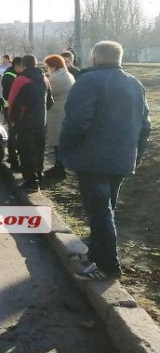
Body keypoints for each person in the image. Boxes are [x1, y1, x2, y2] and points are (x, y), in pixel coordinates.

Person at [60, 41, 150, 281]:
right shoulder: (135, 84)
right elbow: (145, 126)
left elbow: (77, 121)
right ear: (119, 58)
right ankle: (95, 254)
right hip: (121, 158)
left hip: (93, 159)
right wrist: (136, 154)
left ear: (94, 58)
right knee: (105, 209)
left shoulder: (87, 81)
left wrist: (65, 149)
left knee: (99, 211)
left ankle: (109, 266)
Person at [8, 55, 53, 192]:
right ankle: (39, 176)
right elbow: (50, 102)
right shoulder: (44, 78)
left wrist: (12, 120)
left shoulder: (20, 80)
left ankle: (31, 183)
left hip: (24, 122)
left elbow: (12, 101)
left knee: (26, 152)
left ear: (24, 65)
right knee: (39, 151)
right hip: (41, 122)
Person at [43, 54, 74, 180]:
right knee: (58, 141)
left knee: (58, 141)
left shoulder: (57, 78)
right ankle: (58, 166)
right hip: (63, 111)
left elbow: (47, 92)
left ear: (53, 66)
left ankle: (60, 168)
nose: (47, 70)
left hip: (58, 112)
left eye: (48, 67)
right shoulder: (67, 75)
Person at [2, 56, 23, 170]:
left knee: (14, 134)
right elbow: (7, 95)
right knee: (13, 135)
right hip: (11, 109)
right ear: (17, 66)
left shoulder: (13, 74)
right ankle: (14, 160)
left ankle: (13, 157)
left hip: (14, 108)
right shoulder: (9, 76)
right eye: (22, 66)